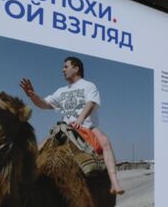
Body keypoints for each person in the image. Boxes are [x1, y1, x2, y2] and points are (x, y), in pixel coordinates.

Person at [20, 57, 124, 195]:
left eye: (66, 66)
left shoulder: (88, 86)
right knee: (40, 147)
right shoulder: (61, 91)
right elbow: (44, 104)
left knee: (105, 142)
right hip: (65, 129)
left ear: (76, 68)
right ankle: (25, 182)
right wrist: (32, 96)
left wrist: (80, 119)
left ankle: (114, 183)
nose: (63, 70)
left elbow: (91, 103)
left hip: (87, 127)